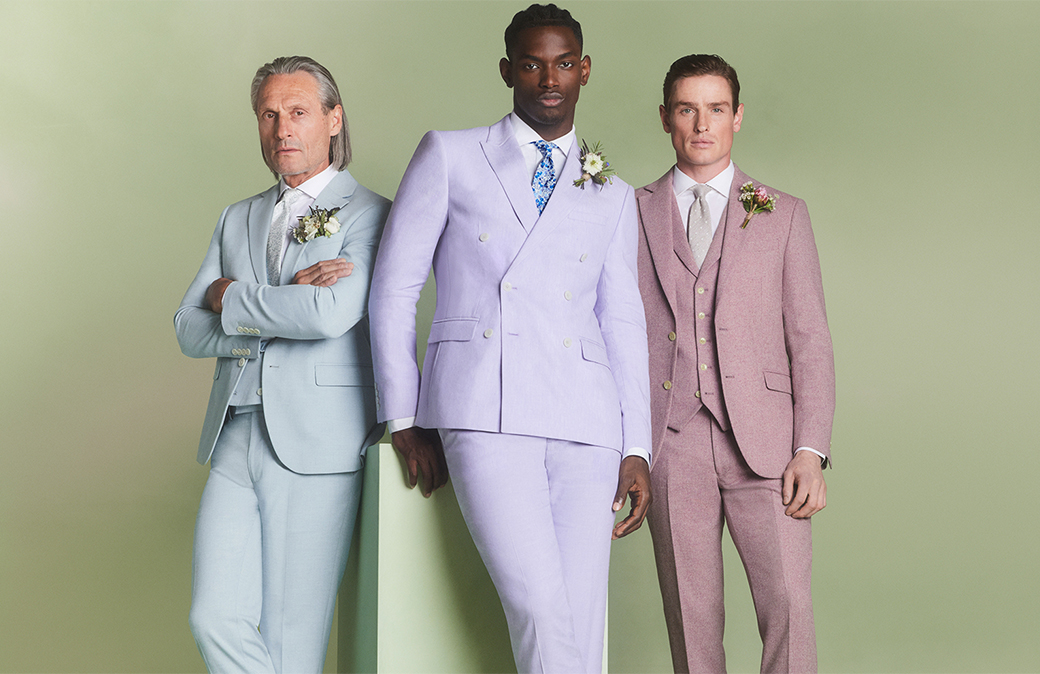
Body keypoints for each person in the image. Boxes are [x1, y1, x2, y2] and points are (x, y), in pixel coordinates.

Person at [367, 4, 652, 672]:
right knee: (539, 609)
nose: (547, 78)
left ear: (585, 71)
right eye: (530, 63)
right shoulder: (451, 154)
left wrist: (636, 443)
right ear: (507, 71)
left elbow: (623, 322)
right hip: (484, 409)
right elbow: (394, 286)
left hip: (587, 421)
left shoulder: (611, 191)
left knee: (581, 619)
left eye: (562, 63)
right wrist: (402, 414)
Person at [174, 56, 389, 673]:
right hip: (234, 433)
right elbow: (188, 328)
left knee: (294, 644)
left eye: (297, 112)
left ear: (333, 118)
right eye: (268, 115)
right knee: (214, 618)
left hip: (318, 442)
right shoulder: (235, 216)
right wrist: (275, 308)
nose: (282, 128)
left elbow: (329, 315)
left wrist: (229, 297)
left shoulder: (369, 212)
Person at [635, 54, 835, 673]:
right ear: (665, 118)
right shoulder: (629, 212)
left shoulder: (784, 213)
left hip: (770, 445)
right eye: (687, 109)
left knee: (789, 616)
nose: (702, 124)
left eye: (716, 109)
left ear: (737, 117)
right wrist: (628, 447)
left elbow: (811, 341)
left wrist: (811, 450)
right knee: (691, 629)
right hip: (670, 441)